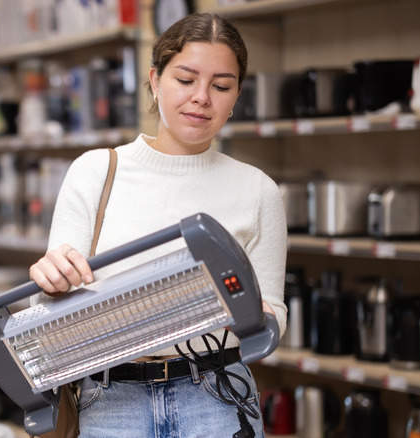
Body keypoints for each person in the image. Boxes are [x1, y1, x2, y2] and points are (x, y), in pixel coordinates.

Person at [28, 12, 287, 438]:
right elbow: (54, 306)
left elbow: (273, 314)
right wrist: (51, 280)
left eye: (221, 86)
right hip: (110, 400)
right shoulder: (95, 171)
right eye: (185, 80)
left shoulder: (257, 190)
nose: (202, 97)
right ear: (154, 79)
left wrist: (255, 315)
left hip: (218, 399)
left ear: (236, 94)